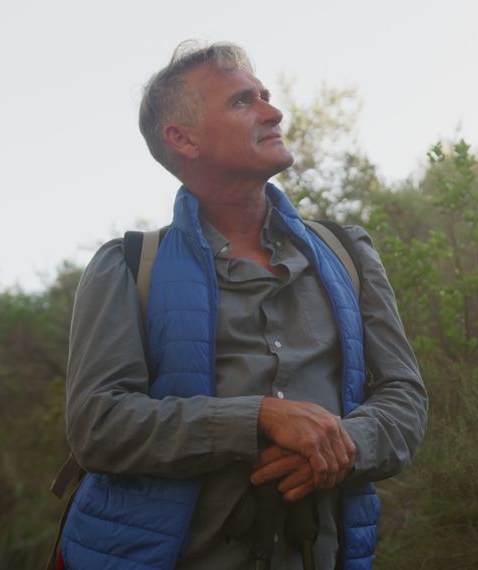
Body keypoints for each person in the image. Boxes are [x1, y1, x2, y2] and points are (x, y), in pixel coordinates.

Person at [55, 42, 427, 570]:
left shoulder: (349, 254)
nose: (273, 112)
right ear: (182, 139)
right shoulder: (127, 266)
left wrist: (340, 446)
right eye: (241, 102)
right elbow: (98, 425)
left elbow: (405, 400)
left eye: (266, 97)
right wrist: (258, 418)